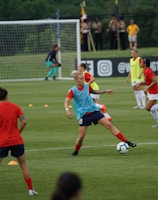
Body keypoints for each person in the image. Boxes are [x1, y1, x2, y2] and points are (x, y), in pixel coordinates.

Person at [64, 71, 136, 156]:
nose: (83, 80)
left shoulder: (87, 86)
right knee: (81, 137)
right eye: (81, 79)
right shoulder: (73, 90)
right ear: (76, 80)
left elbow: (94, 91)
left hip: (94, 111)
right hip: (83, 115)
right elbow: (66, 101)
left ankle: (126, 141)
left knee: (109, 125)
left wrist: (105, 91)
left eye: (83, 78)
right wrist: (67, 110)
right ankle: (76, 151)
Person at [0, 87, 37, 196]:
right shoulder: (15, 107)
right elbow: (24, 121)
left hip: (2, 142)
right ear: (7, 96)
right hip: (16, 140)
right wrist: (18, 132)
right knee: (23, 165)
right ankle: (31, 190)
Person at [136, 58, 158, 128]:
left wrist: (147, 88)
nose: (140, 63)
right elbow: (148, 82)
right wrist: (141, 83)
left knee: (148, 108)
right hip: (151, 92)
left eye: (141, 62)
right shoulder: (145, 71)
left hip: (155, 91)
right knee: (151, 109)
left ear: (145, 64)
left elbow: (155, 81)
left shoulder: (148, 71)